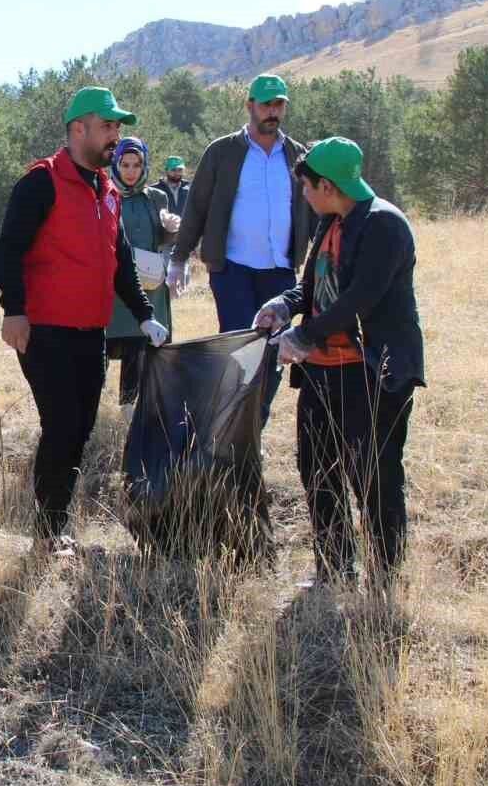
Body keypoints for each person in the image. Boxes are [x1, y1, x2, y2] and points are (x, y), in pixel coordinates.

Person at [0, 87, 168, 556]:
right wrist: (14, 310)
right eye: (108, 126)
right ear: (78, 129)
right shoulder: (41, 182)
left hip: (93, 333)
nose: (116, 135)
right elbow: (7, 249)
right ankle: (49, 533)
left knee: (82, 427)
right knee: (63, 425)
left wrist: (145, 314)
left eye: (118, 127)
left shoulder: (106, 190)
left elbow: (121, 259)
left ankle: (55, 525)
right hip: (44, 331)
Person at [253, 138, 424, 590]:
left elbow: (359, 298)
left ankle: (384, 578)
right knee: (318, 469)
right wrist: (282, 306)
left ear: (326, 185)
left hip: (372, 371)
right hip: (322, 370)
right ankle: (334, 570)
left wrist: (304, 335)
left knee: (374, 475)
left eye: (307, 187)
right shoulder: (330, 221)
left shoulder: (384, 225)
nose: (303, 195)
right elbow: (313, 288)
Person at [168, 73, 315, 419]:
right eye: (266, 104)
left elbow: (313, 209)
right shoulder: (222, 151)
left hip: (280, 272)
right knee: (238, 351)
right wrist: (179, 258)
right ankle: (227, 427)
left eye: (278, 104)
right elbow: (198, 206)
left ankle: (253, 424)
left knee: (273, 352)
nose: (272, 112)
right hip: (232, 269)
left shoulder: (297, 155)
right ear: (250, 105)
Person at [105, 137, 181, 409]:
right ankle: (91, 406)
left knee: (139, 347)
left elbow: (163, 239)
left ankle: (129, 408)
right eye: (125, 164)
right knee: (103, 343)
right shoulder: (103, 193)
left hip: (149, 283)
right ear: (115, 164)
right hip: (113, 283)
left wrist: (172, 228)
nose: (131, 171)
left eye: (137, 165)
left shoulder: (156, 197)